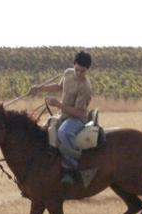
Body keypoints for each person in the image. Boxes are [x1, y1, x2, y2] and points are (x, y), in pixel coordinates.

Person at [30, 51, 94, 185]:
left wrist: (58, 104)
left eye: (82, 71)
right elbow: (59, 87)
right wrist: (39, 88)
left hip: (76, 118)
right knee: (44, 129)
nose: (78, 73)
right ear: (73, 66)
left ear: (87, 70)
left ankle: (71, 168)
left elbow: (79, 113)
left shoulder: (85, 88)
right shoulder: (68, 73)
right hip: (63, 114)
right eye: (77, 69)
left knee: (63, 132)